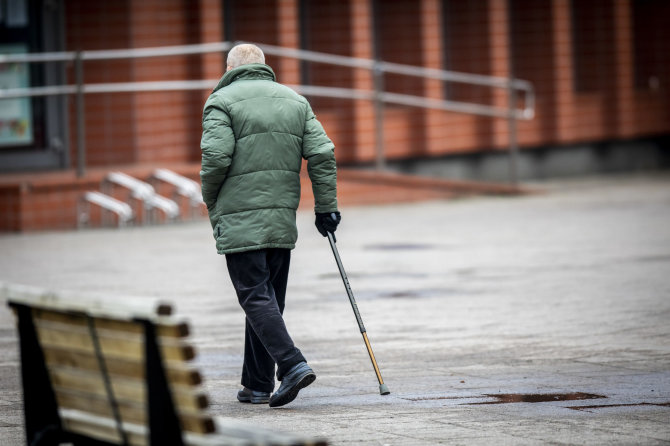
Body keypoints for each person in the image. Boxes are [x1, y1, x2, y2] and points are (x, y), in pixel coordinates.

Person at [200, 43, 341, 408]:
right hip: (281, 218)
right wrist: (326, 208)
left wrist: (210, 197)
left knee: (254, 296)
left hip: (240, 216)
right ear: (263, 67)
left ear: (230, 67)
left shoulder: (222, 101)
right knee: (267, 302)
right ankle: (257, 384)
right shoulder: (295, 101)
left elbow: (216, 156)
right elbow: (323, 153)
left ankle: (291, 364)